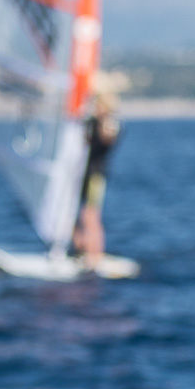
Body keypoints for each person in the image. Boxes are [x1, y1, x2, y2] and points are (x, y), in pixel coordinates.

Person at [72, 92, 122, 268]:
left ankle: (95, 255)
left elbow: (106, 141)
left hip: (95, 175)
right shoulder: (91, 123)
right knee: (73, 214)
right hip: (81, 173)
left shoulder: (109, 124)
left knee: (90, 215)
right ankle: (81, 250)